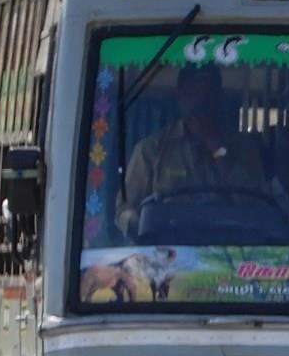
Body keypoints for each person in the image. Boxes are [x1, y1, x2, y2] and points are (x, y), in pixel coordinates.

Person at [115, 63, 273, 237]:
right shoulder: (151, 150)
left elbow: (257, 206)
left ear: (219, 97)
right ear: (179, 96)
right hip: (168, 252)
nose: (201, 100)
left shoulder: (244, 148)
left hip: (232, 252)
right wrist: (144, 225)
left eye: (208, 93)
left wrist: (217, 148)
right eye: (193, 92)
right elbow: (124, 209)